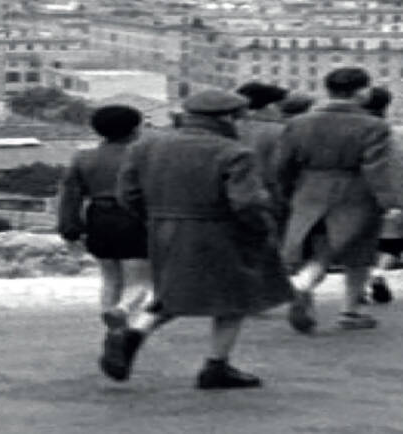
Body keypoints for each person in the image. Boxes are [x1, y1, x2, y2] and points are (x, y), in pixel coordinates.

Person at [101, 90, 293, 389]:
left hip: (164, 229)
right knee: (234, 298)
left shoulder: (146, 147)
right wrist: (262, 229)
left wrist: (157, 219)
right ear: (228, 118)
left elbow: (127, 195)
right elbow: (246, 203)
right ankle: (217, 366)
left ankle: (131, 335)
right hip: (220, 232)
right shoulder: (234, 153)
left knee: (173, 292)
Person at [277, 68, 400, 334]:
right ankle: (348, 310)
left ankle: (304, 285)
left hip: (310, 190)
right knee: (358, 255)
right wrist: (390, 202)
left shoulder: (299, 123)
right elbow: (376, 168)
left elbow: (282, 165)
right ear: (361, 91)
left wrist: (288, 192)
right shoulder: (374, 126)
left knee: (321, 248)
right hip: (356, 193)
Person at [58, 105, 151, 331]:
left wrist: (70, 229)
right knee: (139, 282)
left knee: (110, 279)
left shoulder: (84, 158)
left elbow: (70, 196)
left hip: (99, 219)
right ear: (134, 129)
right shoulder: (144, 157)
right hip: (134, 221)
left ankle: (113, 332)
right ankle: (123, 311)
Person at [235, 82, 290, 236]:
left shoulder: (231, 127)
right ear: (270, 105)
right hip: (266, 198)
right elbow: (279, 169)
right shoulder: (280, 130)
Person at [362, 86, 396, 304]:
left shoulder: (355, 130)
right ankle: (379, 273)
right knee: (392, 241)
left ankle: (359, 284)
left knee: (359, 240)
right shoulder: (394, 133)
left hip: (354, 191)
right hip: (390, 191)